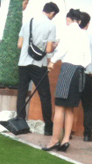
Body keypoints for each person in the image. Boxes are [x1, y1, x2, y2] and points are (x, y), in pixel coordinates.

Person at [43, 8, 92, 152]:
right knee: (70, 109)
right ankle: (65, 140)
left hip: (68, 70)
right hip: (80, 72)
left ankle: (54, 141)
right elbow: (88, 59)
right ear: (80, 20)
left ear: (69, 19)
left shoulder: (69, 31)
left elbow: (62, 49)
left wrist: (53, 61)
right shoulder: (84, 35)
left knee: (59, 107)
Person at [16, 1, 59, 136]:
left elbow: (19, 45)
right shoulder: (51, 25)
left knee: (22, 93)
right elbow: (48, 49)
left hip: (23, 62)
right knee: (45, 96)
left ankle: (20, 122)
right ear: (52, 13)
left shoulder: (28, 22)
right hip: (39, 65)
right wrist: (55, 46)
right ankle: (48, 126)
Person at [78, 11, 92, 142]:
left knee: (69, 106)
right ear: (88, 24)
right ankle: (87, 134)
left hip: (73, 73)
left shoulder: (72, 36)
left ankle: (66, 132)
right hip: (86, 74)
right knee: (87, 106)